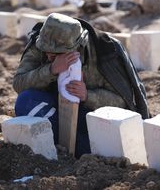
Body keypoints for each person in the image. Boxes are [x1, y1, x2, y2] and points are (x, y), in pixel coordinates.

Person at [13, 13, 149, 158]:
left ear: (77, 47)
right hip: (53, 109)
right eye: (47, 53)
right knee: (25, 101)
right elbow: (19, 84)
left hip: (88, 114)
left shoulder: (104, 50)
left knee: (101, 148)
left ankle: (75, 148)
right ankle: (67, 145)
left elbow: (122, 102)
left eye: (55, 54)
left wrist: (87, 95)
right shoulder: (42, 42)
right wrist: (52, 69)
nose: (48, 57)